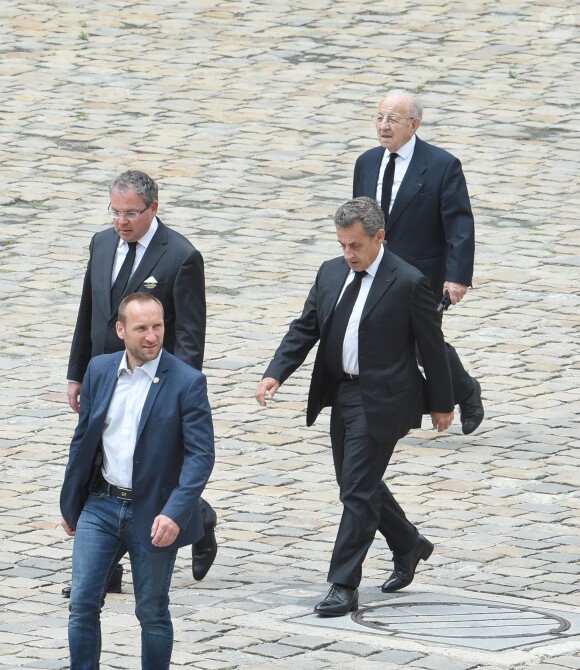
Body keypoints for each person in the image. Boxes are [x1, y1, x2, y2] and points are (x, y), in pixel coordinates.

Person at [255, 198, 454, 617]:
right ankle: (409, 544)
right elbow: (306, 327)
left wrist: (441, 402)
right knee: (357, 483)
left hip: (384, 399)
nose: (348, 254)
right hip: (341, 393)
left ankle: (343, 583)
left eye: (356, 245)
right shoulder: (331, 272)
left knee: (357, 491)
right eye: (343, 244)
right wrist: (276, 372)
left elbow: (432, 348)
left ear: (379, 238)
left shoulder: (408, 282)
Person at [40, 293, 214, 670]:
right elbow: (85, 440)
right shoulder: (100, 371)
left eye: (157, 326)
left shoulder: (186, 382)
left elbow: (200, 457)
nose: (152, 336)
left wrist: (176, 513)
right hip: (100, 503)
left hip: (152, 510)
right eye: (141, 329)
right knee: (82, 604)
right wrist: (70, 503)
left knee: (152, 611)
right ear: (122, 331)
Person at [65, 170, 216, 595]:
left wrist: (174, 391)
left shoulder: (180, 256)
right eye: (115, 212)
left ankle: (198, 518)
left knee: (150, 466)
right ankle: (101, 568)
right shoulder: (101, 243)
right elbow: (88, 311)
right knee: (101, 459)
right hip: (104, 376)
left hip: (153, 383)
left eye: (131, 213)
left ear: (153, 207)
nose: (121, 221)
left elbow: (189, 335)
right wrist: (77, 372)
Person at [353, 90, 484, 435]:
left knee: (422, 342)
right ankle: (392, 410)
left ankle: (466, 391)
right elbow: (359, 218)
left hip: (422, 274)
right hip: (376, 270)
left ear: (414, 124)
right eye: (379, 117)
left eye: (392, 120)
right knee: (383, 340)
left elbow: (459, 226)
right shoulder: (366, 163)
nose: (383, 126)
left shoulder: (442, 166)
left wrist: (456, 278)